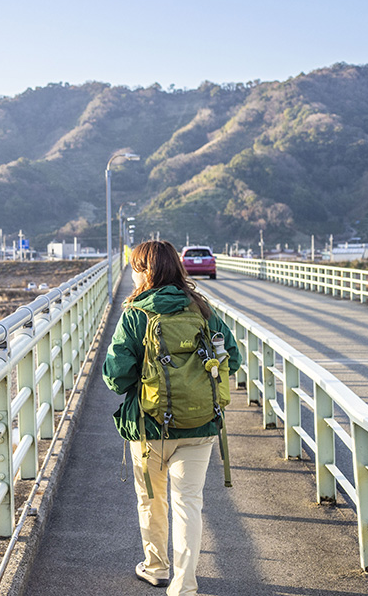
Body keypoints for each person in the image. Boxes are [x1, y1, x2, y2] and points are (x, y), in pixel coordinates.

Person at [102, 240, 241, 595]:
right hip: (199, 426)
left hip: (148, 429)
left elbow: (116, 376)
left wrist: (145, 378)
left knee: (152, 501)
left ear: (144, 272)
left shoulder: (136, 314)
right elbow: (234, 360)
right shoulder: (202, 309)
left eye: (135, 267)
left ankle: (156, 567)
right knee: (188, 504)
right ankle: (184, 585)